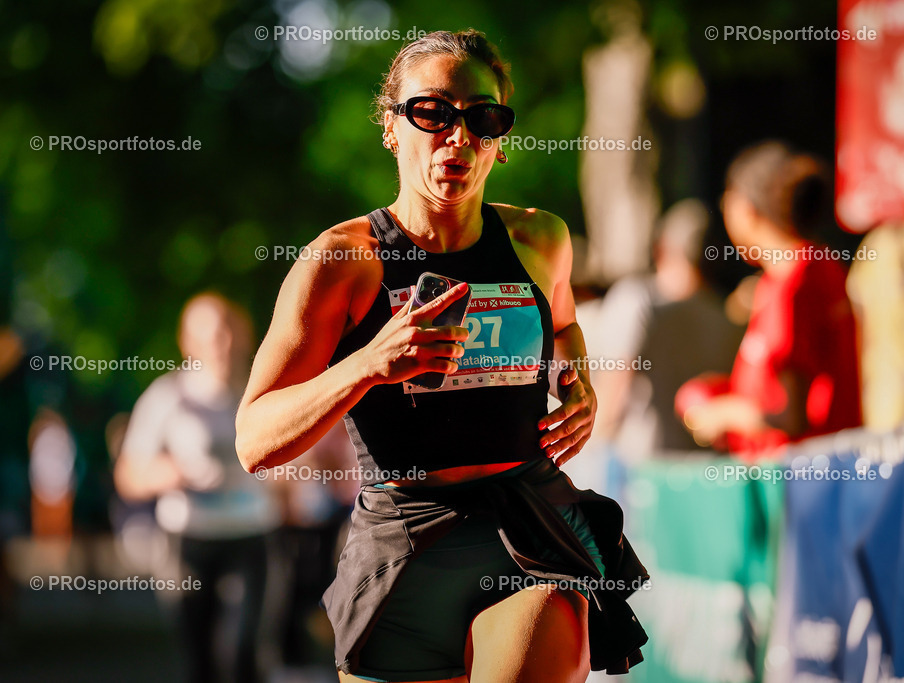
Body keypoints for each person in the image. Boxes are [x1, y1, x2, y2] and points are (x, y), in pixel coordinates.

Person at [235, 29, 648, 683]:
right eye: (432, 112)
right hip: (403, 545)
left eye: (483, 118)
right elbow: (255, 440)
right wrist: (368, 363)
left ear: (500, 140)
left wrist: (578, 382)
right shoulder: (342, 261)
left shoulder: (540, 239)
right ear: (391, 127)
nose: (458, 136)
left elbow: (564, 322)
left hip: (527, 528)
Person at [116, 293, 280, 683]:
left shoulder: (263, 393)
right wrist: (167, 473)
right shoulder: (168, 397)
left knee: (244, 654)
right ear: (187, 342)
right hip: (189, 540)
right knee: (198, 661)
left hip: (252, 537)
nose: (221, 343)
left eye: (228, 331)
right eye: (209, 335)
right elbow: (128, 475)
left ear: (243, 335)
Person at [679, 141, 862, 457]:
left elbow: (790, 417)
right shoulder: (822, 265)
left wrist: (722, 413)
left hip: (799, 475)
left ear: (746, 209)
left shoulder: (791, 284)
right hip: (836, 466)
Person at [592, 199, 744, 458]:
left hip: (643, 467)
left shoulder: (636, 300)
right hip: (710, 467)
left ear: (661, 248)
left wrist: (589, 453)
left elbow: (612, 395)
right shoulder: (727, 319)